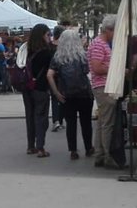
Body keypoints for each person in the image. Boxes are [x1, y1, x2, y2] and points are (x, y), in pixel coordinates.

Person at [47, 29, 93, 160]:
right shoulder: (83, 56)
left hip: (66, 95)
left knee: (71, 123)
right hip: (84, 94)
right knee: (86, 122)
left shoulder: (58, 57)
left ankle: (73, 150)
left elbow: (49, 75)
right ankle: (89, 148)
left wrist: (56, 93)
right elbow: (88, 73)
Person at [88, 14, 122, 168]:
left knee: (103, 122)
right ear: (109, 30)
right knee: (107, 123)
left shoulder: (102, 44)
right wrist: (116, 69)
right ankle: (108, 155)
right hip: (103, 87)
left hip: (104, 86)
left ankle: (100, 154)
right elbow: (96, 67)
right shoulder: (99, 44)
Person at [23, 24, 53, 157]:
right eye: (48, 35)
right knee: (41, 117)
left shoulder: (27, 50)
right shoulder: (47, 52)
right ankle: (40, 147)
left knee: (30, 116)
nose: (50, 38)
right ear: (42, 36)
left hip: (27, 87)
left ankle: (31, 146)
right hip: (40, 88)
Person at [49, 25, 68, 132]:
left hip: (52, 75)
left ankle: (56, 120)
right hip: (62, 76)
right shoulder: (64, 47)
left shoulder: (49, 46)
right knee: (62, 98)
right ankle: (60, 120)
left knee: (55, 98)